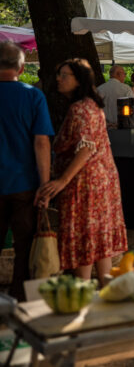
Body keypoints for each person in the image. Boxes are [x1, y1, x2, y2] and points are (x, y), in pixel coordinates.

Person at [37, 59, 127, 284]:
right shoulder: (92, 105)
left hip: (85, 185)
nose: (59, 78)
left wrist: (61, 181)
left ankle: (83, 296)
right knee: (99, 243)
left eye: (64, 75)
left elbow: (87, 146)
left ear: (79, 80)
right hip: (102, 182)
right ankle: (106, 294)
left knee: (85, 241)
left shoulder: (80, 109)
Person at [0, 42, 53, 301]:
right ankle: (18, 299)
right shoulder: (33, 96)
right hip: (25, 185)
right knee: (24, 247)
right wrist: (45, 186)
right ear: (21, 67)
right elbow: (41, 142)